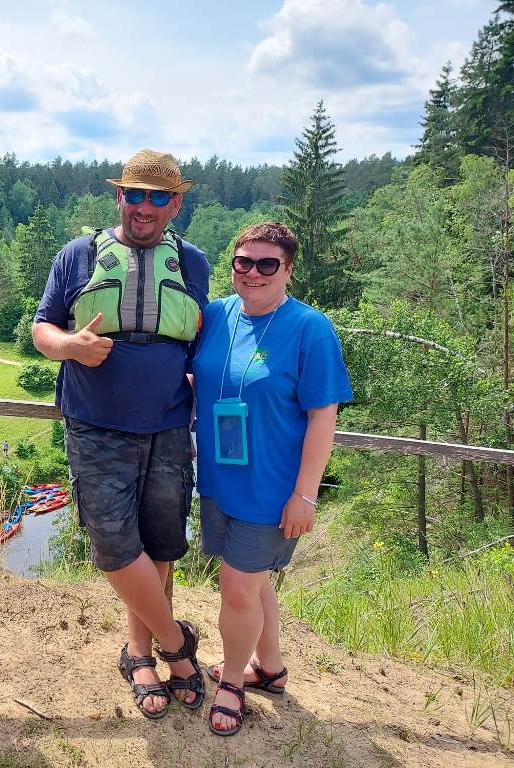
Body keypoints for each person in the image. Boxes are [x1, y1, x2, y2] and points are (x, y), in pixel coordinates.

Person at [32, 149, 210, 719]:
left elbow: (202, 340)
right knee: (113, 546)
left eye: (158, 197)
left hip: (169, 424)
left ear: (175, 203)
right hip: (96, 424)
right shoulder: (78, 254)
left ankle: (140, 654)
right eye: (134, 194)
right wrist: (69, 346)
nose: (144, 207)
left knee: (159, 544)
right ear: (118, 197)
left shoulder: (193, 262)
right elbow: (41, 328)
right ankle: (177, 646)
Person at [192, 222, 352, 736]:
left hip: (273, 487)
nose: (253, 272)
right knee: (252, 579)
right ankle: (272, 668)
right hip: (220, 478)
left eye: (267, 264)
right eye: (244, 262)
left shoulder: (310, 328)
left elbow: (323, 417)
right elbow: (199, 375)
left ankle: (232, 683)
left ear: (288, 270)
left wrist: (306, 494)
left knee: (237, 587)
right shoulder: (217, 315)